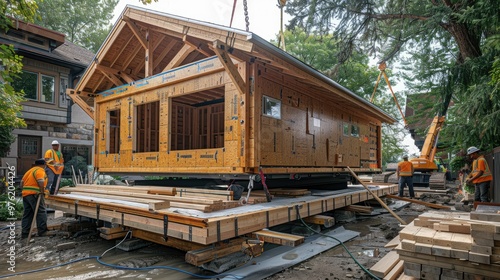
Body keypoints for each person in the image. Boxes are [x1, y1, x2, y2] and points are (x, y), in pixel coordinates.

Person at [21, 158, 49, 238]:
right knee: (41, 211)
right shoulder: (40, 170)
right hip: (35, 194)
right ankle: (42, 231)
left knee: (28, 213)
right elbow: (41, 181)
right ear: (43, 165)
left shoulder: (29, 171)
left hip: (26, 195)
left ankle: (25, 233)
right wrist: (42, 191)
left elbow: (21, 183)